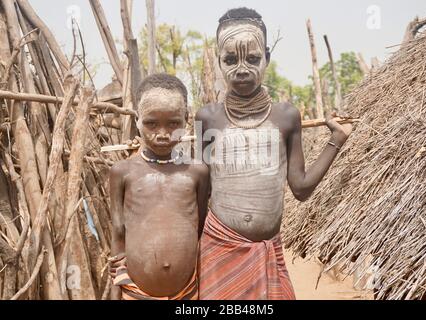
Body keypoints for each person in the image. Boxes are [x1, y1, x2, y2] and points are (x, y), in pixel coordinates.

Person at [195, 7, 353, 300]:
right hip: (218, 250)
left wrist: (337, 140)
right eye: (230, 59)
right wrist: (194, 249)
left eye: (252, 58)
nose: (241, 69)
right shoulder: (207, 118)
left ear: (266, 57)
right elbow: (200, 192)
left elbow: (301, 189)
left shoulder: (285, 116)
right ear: (218, 61)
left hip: (268, 251)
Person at [109, 74, 209, 300]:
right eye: (151, 123)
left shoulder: (197, 172)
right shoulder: (122, 172)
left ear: (187, 118)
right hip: (135, 292)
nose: (162, 134)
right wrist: (116, 292)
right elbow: (118, 232)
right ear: (137, 119)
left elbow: (201, 230)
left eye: (174, 123)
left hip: (189, 291)